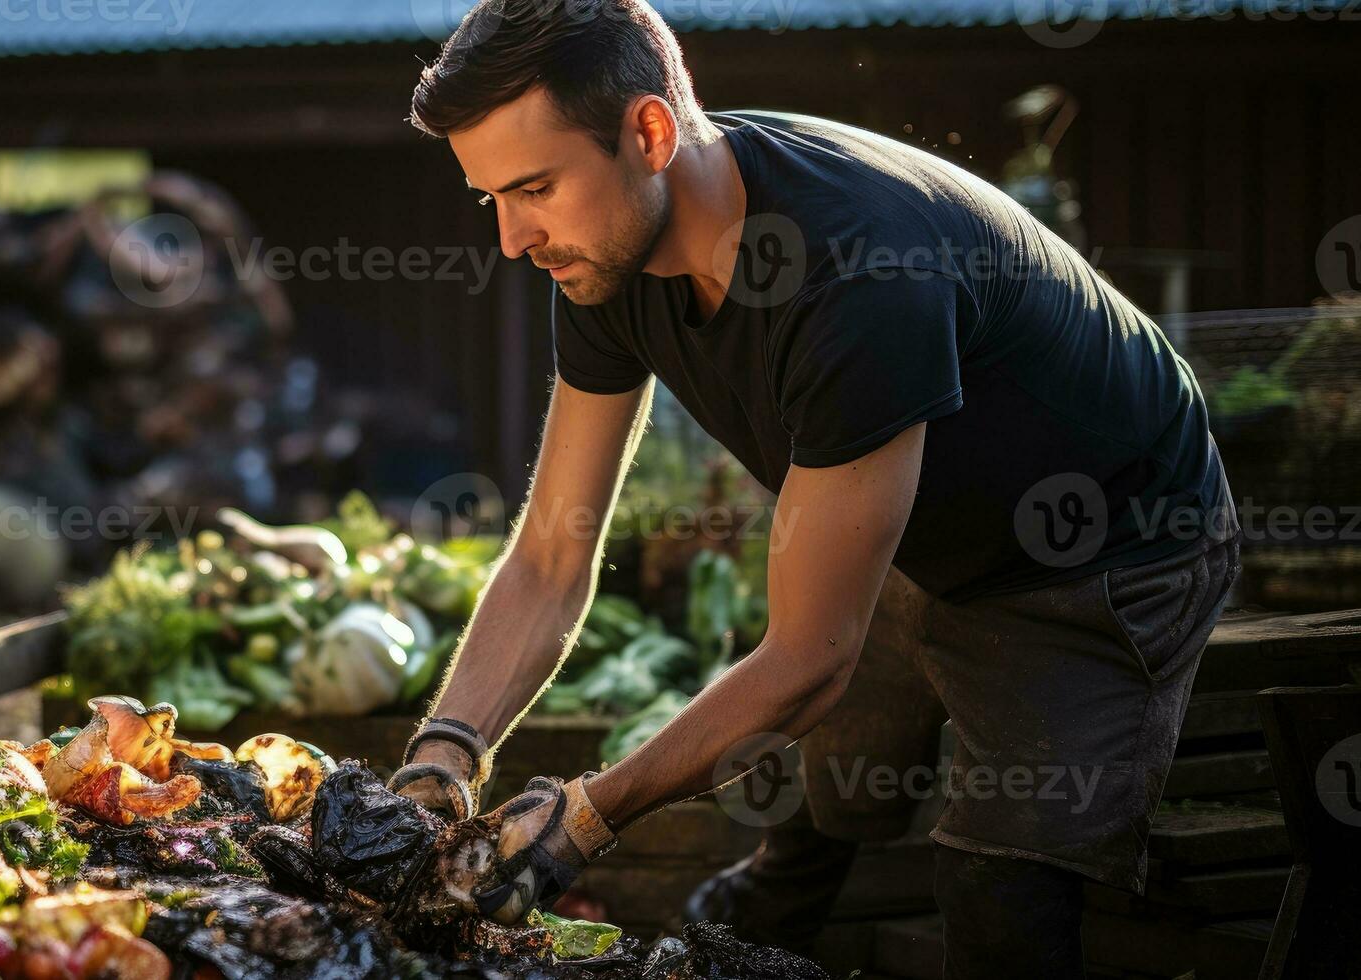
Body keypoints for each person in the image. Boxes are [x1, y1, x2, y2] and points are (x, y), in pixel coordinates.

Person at [384, 3, 1240, 977]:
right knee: (819, 789)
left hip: (1107, 550)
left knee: (998, 880)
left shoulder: (857, 274)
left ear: (650, 133)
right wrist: (441, 756)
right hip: (918, 520)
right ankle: (755, 920)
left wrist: (580, 818)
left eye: (532, 187)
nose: (509, 237)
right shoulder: (600, 254)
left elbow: (805, 659)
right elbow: (548, 556)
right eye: (489, 196)